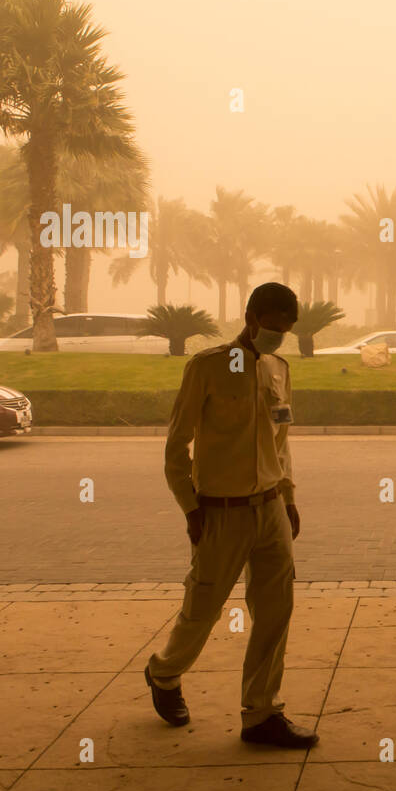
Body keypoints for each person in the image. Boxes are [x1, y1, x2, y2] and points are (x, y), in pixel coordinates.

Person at [144, 282, 318, 748]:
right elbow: (176, 445)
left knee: (275, 611)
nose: (279, 335)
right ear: (251, 316)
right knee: (202, 609)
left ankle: (261, 713)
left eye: (287, 327)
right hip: (220, 512)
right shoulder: (208, 368)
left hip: (271, 510)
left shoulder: (279, 369)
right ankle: (163, 673)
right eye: (273, 325)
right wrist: (189, 506)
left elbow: (280, 443)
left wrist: (289, 496)